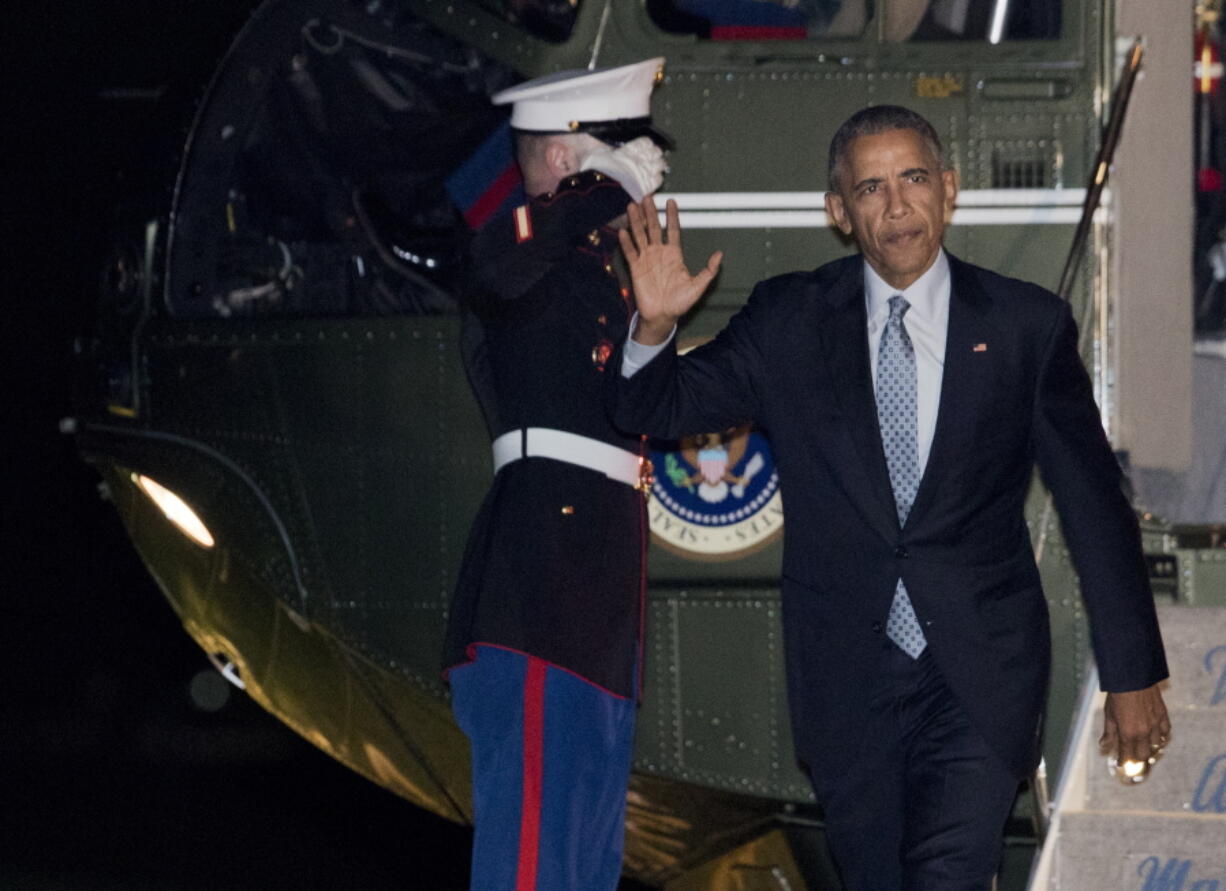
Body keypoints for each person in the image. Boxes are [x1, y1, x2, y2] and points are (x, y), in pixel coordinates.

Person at [609, 104, 1171, 890]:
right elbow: (653, 409)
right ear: (840, 212)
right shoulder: (788, 320)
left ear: (949, 188)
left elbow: (1093, 504)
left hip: (980, 676)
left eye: (913, 179)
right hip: (848, 681)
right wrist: (654, 328)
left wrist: (1133, 671)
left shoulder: (1024, 326)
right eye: (870, 188)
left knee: (950, 872)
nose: (897, 204)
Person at [441, 58, 670, 891]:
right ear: (573, 162)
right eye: (628, 154)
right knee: (534, 855)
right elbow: (495, 261)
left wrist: (658, 328)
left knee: (586, 855)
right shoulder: (527, 264)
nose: (646, 176)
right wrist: (600, 195)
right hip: (543, 590)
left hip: (593, 597)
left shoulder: (591, 280)